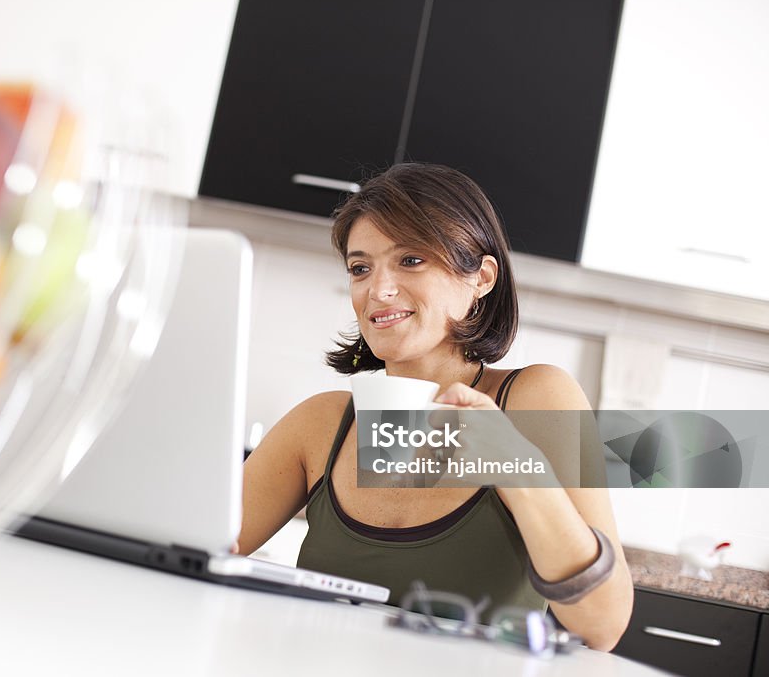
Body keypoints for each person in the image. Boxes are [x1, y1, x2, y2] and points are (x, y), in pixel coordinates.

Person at [237, 163, 633, 651]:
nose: (377, 290)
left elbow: (603, 625)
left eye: (411, 260)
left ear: (481, 278)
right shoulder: (321, 424)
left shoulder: (536, 399)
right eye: (361, 268)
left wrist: (516, 467)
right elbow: (193, 542)